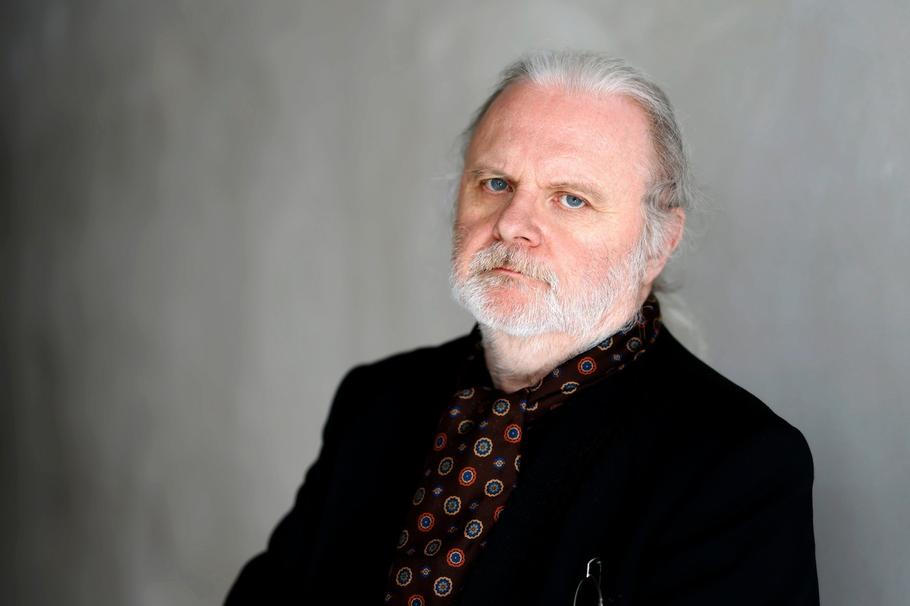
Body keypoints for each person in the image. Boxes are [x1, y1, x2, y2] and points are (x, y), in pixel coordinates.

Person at [226, 50, 819, 605]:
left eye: (571, 198)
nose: (513, 223)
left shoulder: (736, 465)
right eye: (495, 183)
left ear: (659, 241)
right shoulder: (375, 402)